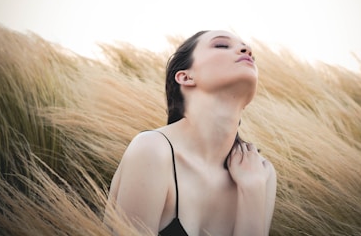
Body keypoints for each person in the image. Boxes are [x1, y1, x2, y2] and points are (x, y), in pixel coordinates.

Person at [105, 30, 277, 236]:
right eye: (222, 45)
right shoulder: (153, 150)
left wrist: (252, 191)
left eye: (250, 52)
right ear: (186, 77)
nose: (247, 50)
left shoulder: (262, 173)